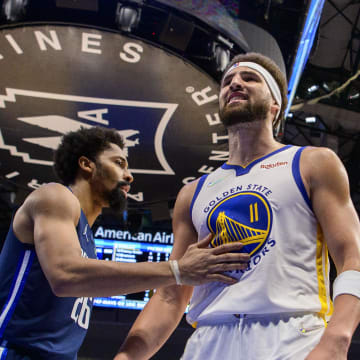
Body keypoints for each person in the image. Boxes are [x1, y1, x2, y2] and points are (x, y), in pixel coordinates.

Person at [116, 52, 360, 360]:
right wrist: (126, 356)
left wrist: (337, 339)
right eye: (228, 81)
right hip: (208, 341)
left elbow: (353, 257)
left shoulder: (312, 162)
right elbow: (171, 294)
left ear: (275, 105)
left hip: (291, 336)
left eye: (250, 78)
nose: (235, 84)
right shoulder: (192, 193)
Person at [0, 126, 250, 360]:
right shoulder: (55, 196)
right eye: (119, 163)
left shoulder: (86, 241)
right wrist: (177, 269)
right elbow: (65, 275)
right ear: (87, 164)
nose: (129, 176)